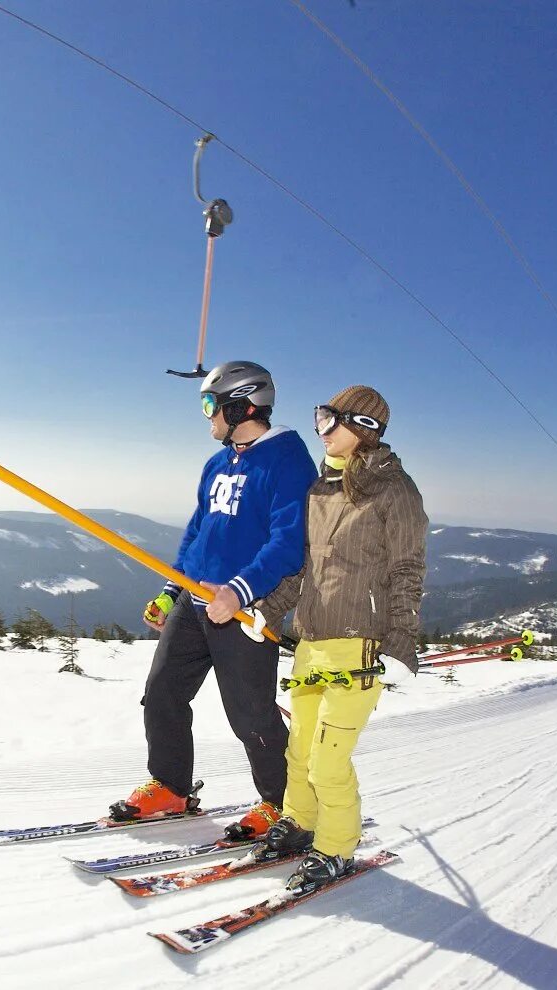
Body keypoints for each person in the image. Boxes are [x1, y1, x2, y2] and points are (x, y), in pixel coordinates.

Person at [116, 361, 317, 840]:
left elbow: (290, 542)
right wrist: (171, 590)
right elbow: (198, 534)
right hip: (196, 601)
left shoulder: (288, 459)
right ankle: (170, 786)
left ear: (240, 404)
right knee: (162, 693)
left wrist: (240, 591)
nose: (206, 417)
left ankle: (281, 803)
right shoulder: (217, 462)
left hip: (245, 610)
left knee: (252, 715)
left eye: (210, 406)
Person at [256, 385, 427, 894]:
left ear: (364, 428)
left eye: (331, 419)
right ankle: (300, 823)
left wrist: (400, 641)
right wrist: (264, 610)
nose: (322, 429)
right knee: (301, 751)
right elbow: (301, 571)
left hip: (361, 645)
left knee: (330, 759)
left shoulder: (395, 492)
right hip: (312, 641)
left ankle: (335, 848)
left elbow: (407, 570)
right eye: (319, 417)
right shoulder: (319, 492)